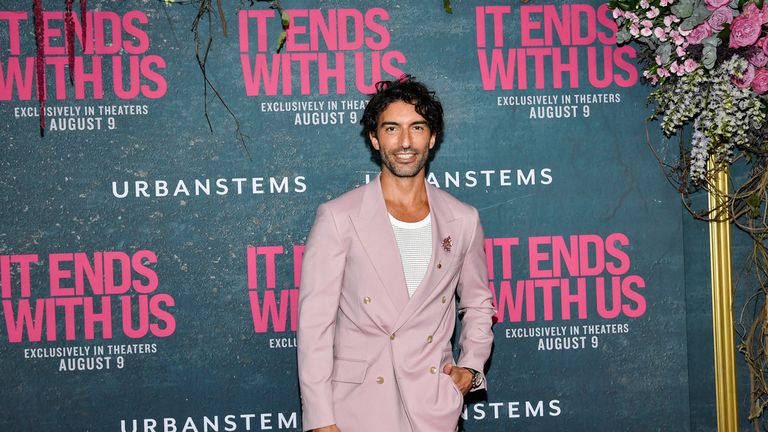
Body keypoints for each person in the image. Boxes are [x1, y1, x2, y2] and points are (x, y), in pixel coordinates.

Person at [297, 75, 495, 432]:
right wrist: (320, 418)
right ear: (375, 138)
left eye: (417, 127)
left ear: (432, 138)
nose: (405, 142)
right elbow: (315, 326)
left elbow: (479, 303)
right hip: (356, 409)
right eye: (392, 128)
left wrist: (472, 368)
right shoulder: (339, 217)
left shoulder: (463, 219)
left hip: (433, 404)